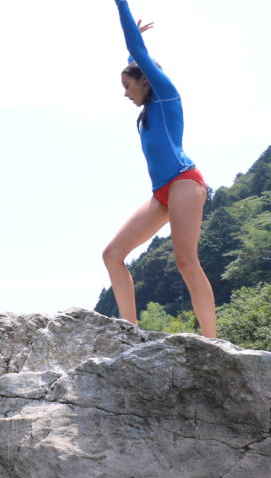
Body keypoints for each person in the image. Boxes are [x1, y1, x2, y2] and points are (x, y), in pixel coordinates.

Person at [103, 0, 216, 337]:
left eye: (128, 86)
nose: (125, 94)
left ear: (146, 81)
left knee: (186, 261)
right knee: (112, 255)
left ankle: (212, 340)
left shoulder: (166, 95)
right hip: (162, 192)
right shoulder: (150, 104)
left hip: (184, 181)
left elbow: (136, 52)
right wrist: (134, 52)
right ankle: (129, 331)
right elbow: (135, 57)